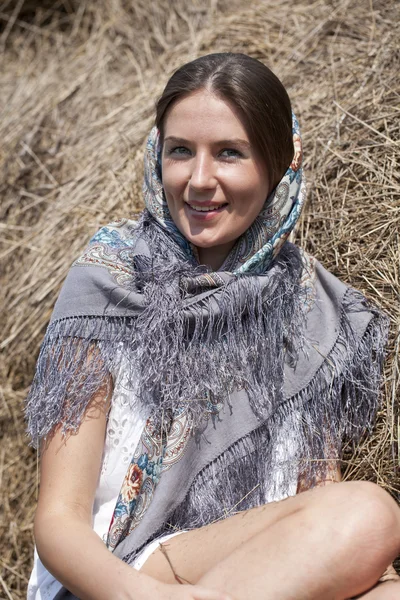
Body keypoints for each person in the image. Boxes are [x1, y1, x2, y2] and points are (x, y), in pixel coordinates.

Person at [25, 53, 400, 600]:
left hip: (254, 574)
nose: (200, 181)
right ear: (157, 157)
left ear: (279, 163)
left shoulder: (318, 314)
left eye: (229, 153)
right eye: (180, 151)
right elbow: (58, 523)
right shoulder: (109, 277)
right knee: (370, 511)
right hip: (117, 572)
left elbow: (319, 506)